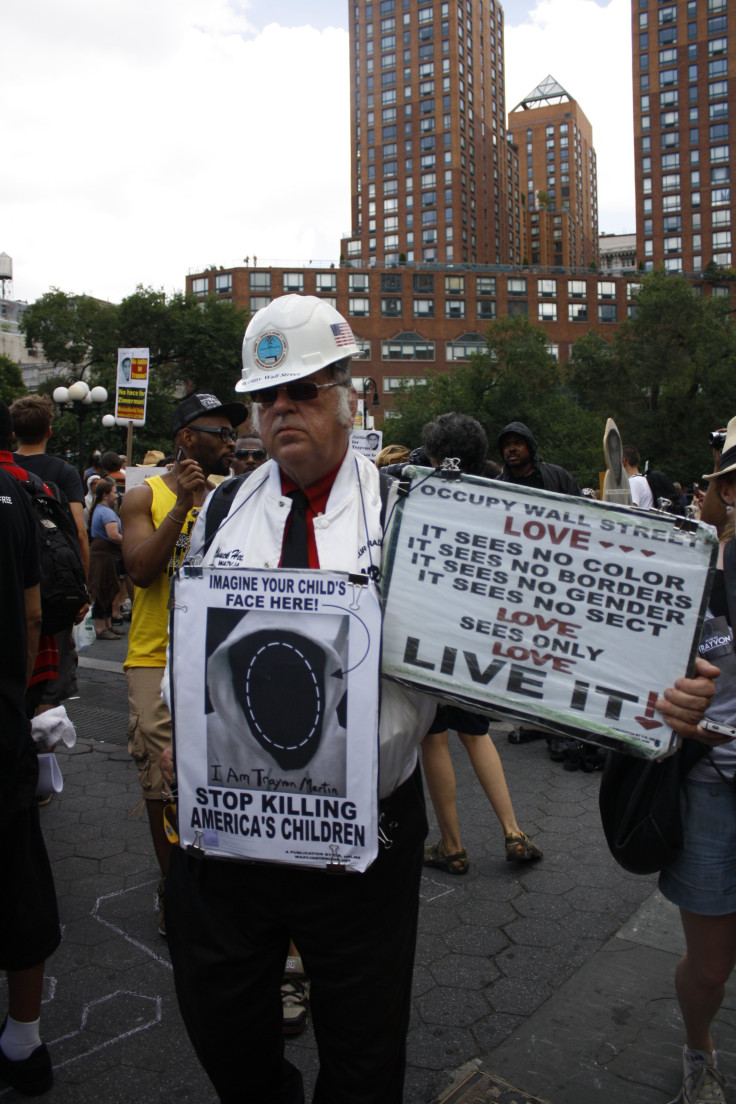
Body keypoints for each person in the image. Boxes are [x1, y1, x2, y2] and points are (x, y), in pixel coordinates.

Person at [161, 294, 716, 1104]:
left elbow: (529, 639)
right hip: (231, 840)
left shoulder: (410, 511)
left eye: (305, 390)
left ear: (347, 392)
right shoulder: (219, 509)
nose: (283, 409)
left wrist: (652, 693)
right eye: (266, 395)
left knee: (363, 1053)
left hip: (366, 838)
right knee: (223, 1029)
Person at [120, 392, 246, 935]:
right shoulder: (140, 496)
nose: (230, 442)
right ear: (186, 438)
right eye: (219, 432)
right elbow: (141, 572)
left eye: (231, 432)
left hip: (212, 650)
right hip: (154, 653)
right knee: (160, 776)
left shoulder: (233, 497)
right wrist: (180, 507)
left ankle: (219, 880)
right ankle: (175, 888)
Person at [418, 414, 542, 874]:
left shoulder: (421, 490)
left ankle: (451, 845)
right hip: (474, 632)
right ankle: (513, 830)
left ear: (434, 454)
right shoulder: (496, 490)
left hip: (428, 631)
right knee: (476, 731)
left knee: (434, 738)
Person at [658, 424, 736, 1104]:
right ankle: (699, 1048)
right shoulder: (694, 574)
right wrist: (672, 708)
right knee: (711, 970)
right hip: (715, 789)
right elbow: (631, 681)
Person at [0, 456, 61, 1097]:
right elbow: (34, 612)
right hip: (3, 719)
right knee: (18, 872)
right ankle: (25, 1040)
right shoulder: (17, 494)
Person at [10, 394, 88, 719]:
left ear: (12, 432)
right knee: (49, 684)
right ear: (49, 431)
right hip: (53, 588)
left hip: (15, 583)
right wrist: (83, 588)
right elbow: (79, 533)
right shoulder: (63, 472)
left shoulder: (7, 471)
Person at [497, 421, 580, 494]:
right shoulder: (496, 486)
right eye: (506, 445)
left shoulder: (558, 476)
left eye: (518, 443)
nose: (512, 449)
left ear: (530, 447)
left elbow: (580, 507)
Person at [87, 477, 124, 640]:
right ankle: (101, 628)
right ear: (105, 495)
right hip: (104, 555)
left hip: (105, 554)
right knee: (103, 589)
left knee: (108, 588)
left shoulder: (101, 509)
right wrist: (129, 541)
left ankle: (107, 624)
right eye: (114, 492)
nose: (117, 495)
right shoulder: (105, 511)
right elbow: (113, 535)